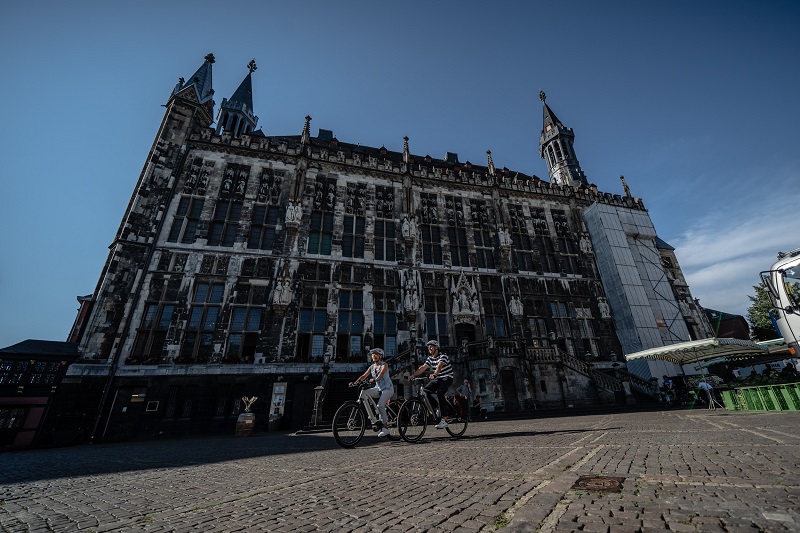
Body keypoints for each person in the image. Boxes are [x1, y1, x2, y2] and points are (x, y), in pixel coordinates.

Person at [409, 340, 454, 429]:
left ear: (436, 347)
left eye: (431, 346)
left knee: (440, 393)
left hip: (447, 377)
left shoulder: (443, 356)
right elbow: (423, 368)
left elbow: (439, 366)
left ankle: (444, 418)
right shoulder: (430, 358)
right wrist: (413, 375)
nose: (429, 348)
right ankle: (437, 407)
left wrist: (435, 374)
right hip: (438, 378)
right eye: (428, 346)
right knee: (425, 391)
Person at [351, 348, 394, 438]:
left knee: (380, 405)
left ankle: (385, 428)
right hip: (378, 388)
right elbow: (363, 376)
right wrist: (355, 383)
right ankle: (373, 416)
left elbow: (381, 374)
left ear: (380, 356)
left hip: (387, 389)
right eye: (372, 354)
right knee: (365, 393)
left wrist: (374, 379)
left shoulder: (384, 365)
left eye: (376, 354)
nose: (373, 356)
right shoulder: (372, 367)